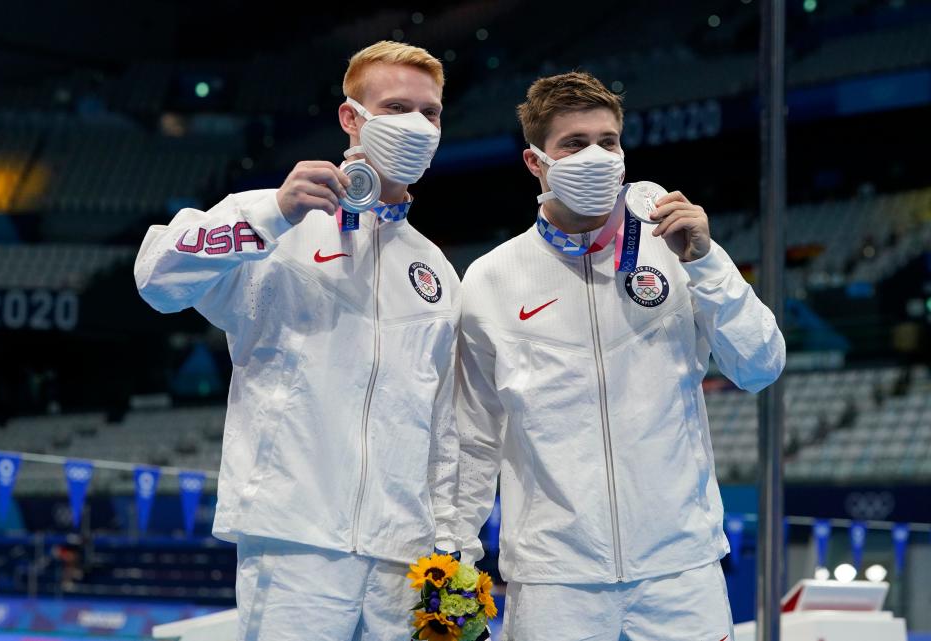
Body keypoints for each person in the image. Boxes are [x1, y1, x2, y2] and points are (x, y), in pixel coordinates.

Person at [134, 41, 460, 641]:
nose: (416, 125)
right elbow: (156, 280)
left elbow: (442, 423)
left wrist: (451, 543)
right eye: (394, 107)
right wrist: (271, 214)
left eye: (430, 112)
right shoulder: (275, 222)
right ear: (350, 118)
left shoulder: (436, 270)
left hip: (404, 557)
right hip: (296, 541)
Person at [454, 71, 786, 641]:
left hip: (679, 571)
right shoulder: (490, 279)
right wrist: (454, 553)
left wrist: (707, 265)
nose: (596, 156)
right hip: (554, 582)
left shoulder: (679, 249)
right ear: (537, 163)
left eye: (608, 142)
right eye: (574, 144)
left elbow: (761, 366)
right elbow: (472, 435)